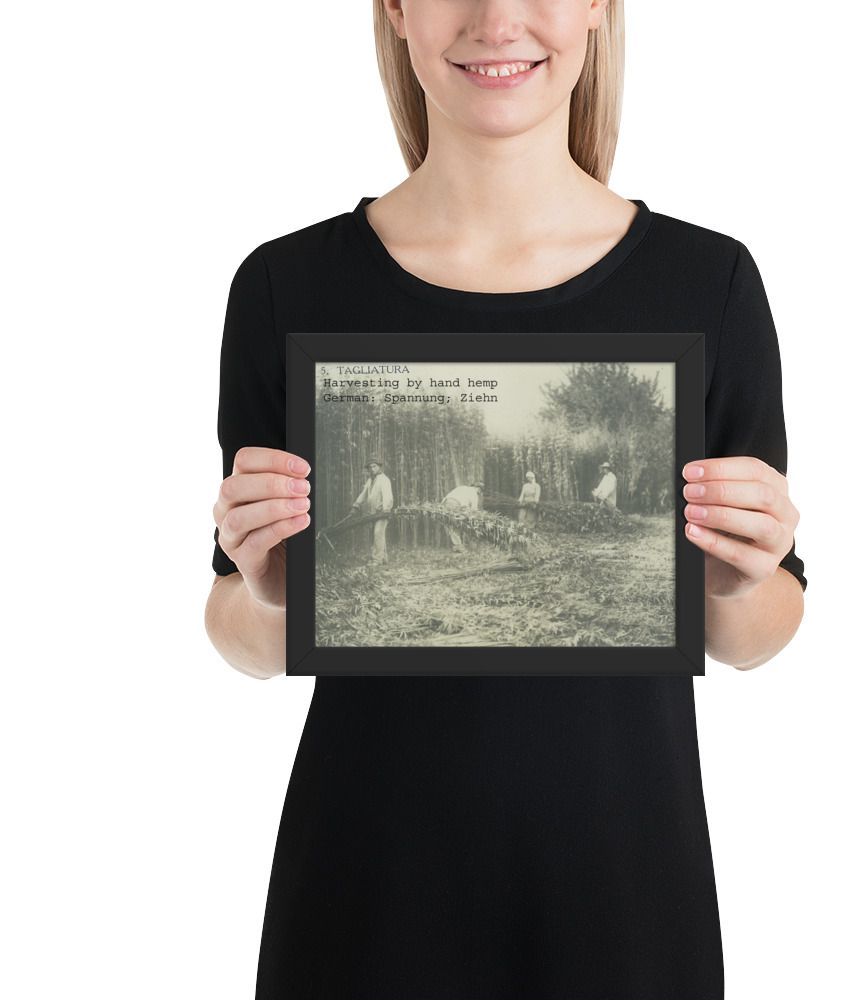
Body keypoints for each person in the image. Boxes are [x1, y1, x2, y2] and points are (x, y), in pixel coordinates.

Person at [205, 2, 808, 997]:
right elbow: (237, 632)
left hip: (624, 899)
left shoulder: (710, 283)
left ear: (598, 8)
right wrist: (267, 584)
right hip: (364, 904)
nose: (497, 17)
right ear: (396, 9)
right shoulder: (285, 286)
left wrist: (744, 569)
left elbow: (755, 631)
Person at [350, 458, 394, 564]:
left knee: (378, 533)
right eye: (370, 467)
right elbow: (364, 494)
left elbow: (388, 495)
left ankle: (377, 559)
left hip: (382, 512)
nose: (372, 469)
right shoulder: (370, 480)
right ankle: (383, 558)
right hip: (373, 513)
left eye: (374, 466)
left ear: (379, 467)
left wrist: (386, 509)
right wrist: (356, 505)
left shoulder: (384, 480)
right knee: (379, 534)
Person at [442, 479, 484, 552]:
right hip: (456, 505)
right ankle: (468, 544)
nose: (479, 493)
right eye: (480, 491)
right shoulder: (474, 493)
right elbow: (474, 510)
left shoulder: (462, 487)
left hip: (445, 503)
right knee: (466, 523)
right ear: (478, 489)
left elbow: (448, 496)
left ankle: (458, 545)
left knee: (452, 525)